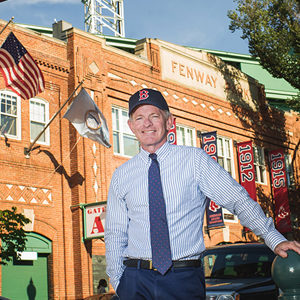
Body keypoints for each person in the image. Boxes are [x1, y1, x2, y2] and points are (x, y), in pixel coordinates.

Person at [105, 88, 300, 300]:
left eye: (154, 116)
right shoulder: (121, 174)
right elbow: (115, 233)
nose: (147, 124)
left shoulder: (195, 161)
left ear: (170, 121)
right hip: (135, 280)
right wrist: (118, 280)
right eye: (139, 118)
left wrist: (274, 238)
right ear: (131, 126)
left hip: (181, 278)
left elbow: (237, 200)